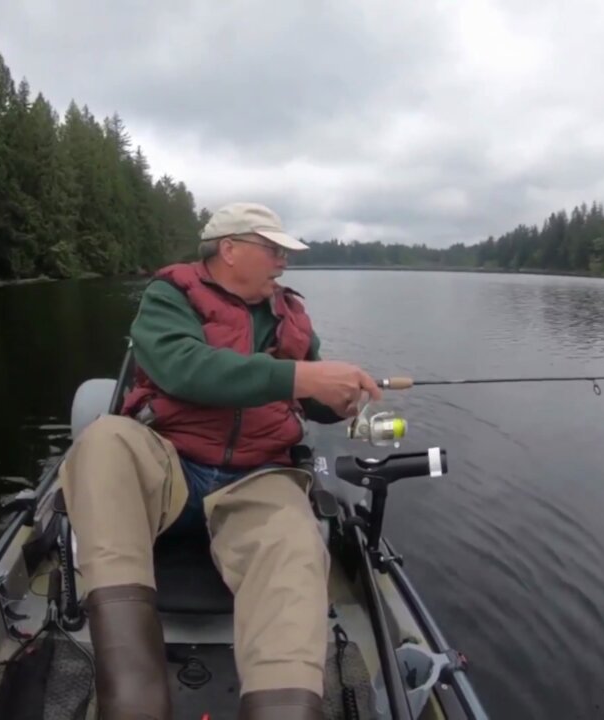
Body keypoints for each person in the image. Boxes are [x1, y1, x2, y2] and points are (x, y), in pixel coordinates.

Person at [57, 202, 383, 720]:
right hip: (172, 464)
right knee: (103, 442)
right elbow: (185, 370)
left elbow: (313, 401)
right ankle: (133, 697)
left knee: (296, 545)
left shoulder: (291, 315)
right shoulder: (168, 297)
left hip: (258, 476)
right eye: (273, 249)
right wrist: (299, 378)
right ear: (229, 249)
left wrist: (337, 398)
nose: (283, 263)